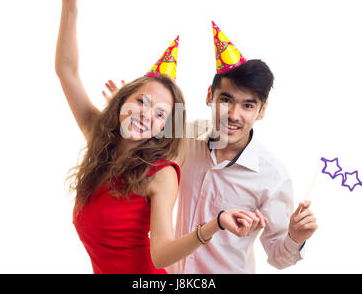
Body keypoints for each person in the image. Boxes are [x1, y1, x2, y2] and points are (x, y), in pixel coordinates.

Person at [55, 0, 267, 274]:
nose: (146, 115)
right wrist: (70, 1)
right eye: (142, 102)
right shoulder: (98, 137)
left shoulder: (160, 174)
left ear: (165, 128)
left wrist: (215, 224)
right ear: (123, 99)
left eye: (160, 115)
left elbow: (162, 256)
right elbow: (68, 72)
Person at [103, 22, 318, 274]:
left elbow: (279, 258)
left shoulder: (273, 175)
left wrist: (295, 237)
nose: (234, 115)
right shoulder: (186, 135)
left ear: (262, 111)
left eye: (248, 105)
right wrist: (129, 108)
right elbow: (146, 135)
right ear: (209, 96)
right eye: (226, 100)